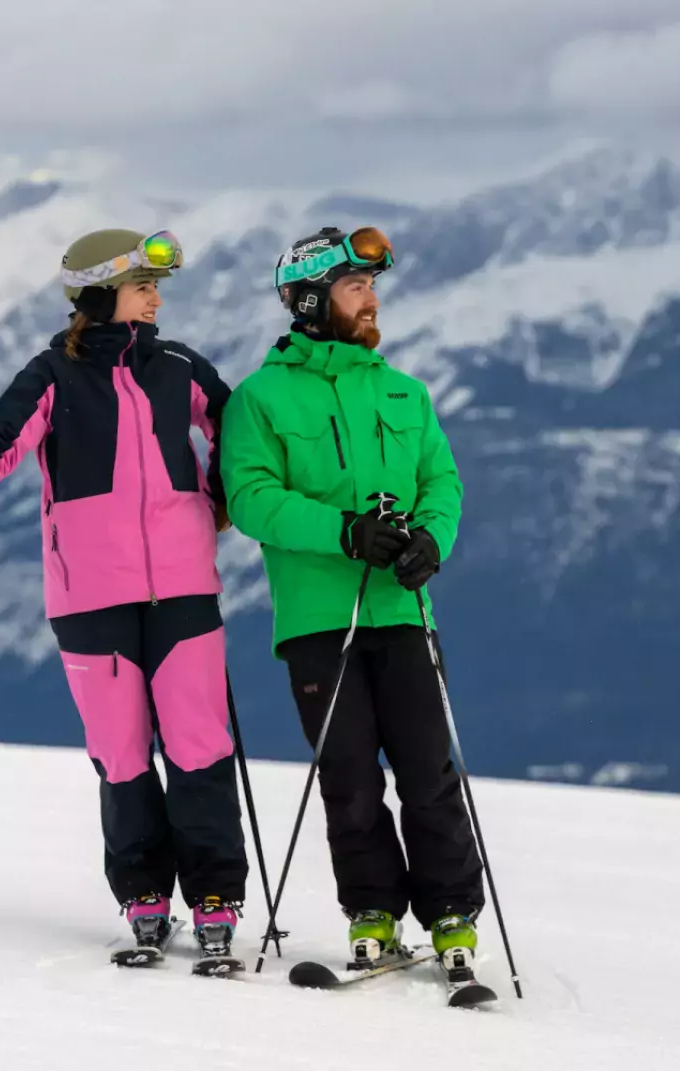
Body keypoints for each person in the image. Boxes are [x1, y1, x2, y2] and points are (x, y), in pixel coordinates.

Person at [0, 228, 247, 957]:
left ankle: (216, 891)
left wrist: (221, 492)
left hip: (184, 585)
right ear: (99, 295)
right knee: (121, 752)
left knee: (198, 743)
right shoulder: (52, 376)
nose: (157, 298)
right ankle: (144, 892)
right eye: (142, 285)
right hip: (90, 593)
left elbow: (239, 431)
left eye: (157, 287)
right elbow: (1, 437)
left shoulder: (179, 366)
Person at [218, 225, 483, 971]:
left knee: (429, 770)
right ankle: (372, 911)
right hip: (317, 620)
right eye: (355, 287)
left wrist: (432, 538)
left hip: (403, 610)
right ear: (310, 301)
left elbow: (443, 483)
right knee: (350, 778)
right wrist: (344, 531)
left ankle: (453, 913)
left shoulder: (405, 391)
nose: (371, 301)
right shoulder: (259, 400)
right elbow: (251, 499)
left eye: (372, 287)